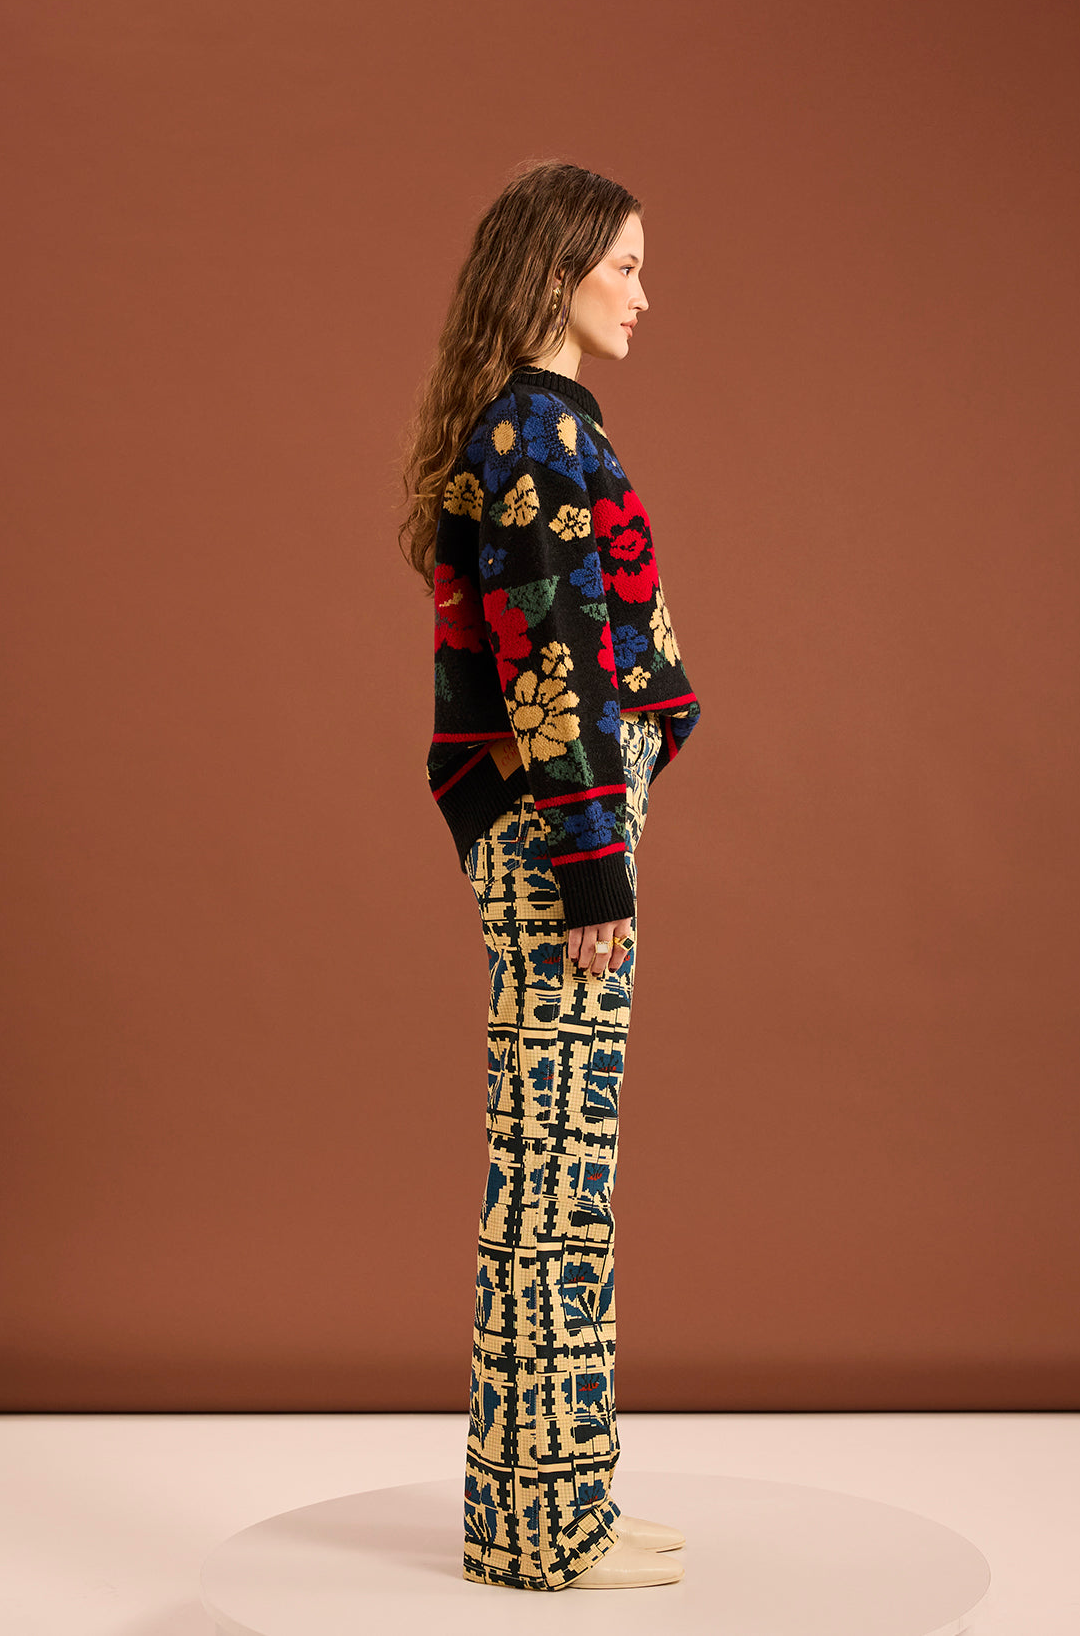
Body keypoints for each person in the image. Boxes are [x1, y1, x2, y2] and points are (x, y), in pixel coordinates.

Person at [397, 159, 702, 1590]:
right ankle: (539, 1527)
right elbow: (550, 662)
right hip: (553, 833)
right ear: (558, 269)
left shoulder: (543, 426)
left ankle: (555, 1496)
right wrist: (593, 871)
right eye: (624, 265)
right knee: (553, 1177)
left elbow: (567, 643)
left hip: (558, 820)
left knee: (558, 1171)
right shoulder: (531, 436)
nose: (644, 293)